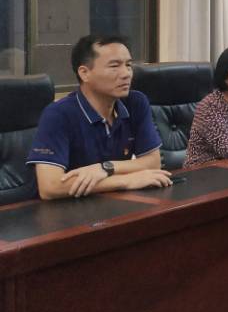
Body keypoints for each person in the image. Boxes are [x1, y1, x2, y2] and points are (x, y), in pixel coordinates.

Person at [27, 34, 172, 199]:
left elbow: (153, 163)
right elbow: (50, 187)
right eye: (114, 66)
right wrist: (125, 181)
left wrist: (105, 168)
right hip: (68, 208)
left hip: (113, 203)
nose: (126, 74)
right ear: (85, 73)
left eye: (128, 65)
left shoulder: (135, 102)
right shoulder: (58, 114)